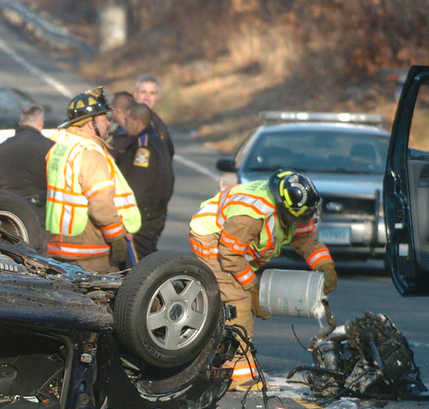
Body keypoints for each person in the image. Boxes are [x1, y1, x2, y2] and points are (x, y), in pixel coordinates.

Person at [189, 169, 337, 387]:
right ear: (283, 209)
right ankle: (236, 375)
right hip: (213, 240)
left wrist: (325, 265)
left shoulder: (294, 209)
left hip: (233, 246)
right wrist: (252, 288)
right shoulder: (251, 215)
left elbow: (305, 239)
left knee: (229, 297)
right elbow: (230, 255)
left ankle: (214, 352)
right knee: (238, 301)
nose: (305, 220)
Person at [45, 87, 141, 273]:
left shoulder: (60, 148)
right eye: (105, 119)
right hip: (88, 251)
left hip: (60, 244)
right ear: (91, 124)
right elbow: (101, 203)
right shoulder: (90, 153)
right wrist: (117, 237)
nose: (108, 124)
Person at [0, 104, 55, 250]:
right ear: (41, 123)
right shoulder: (51, 148)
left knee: (12, 253)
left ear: (20, 123)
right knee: (41, 254)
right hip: (42, 211)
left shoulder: (0, 148)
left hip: (9, 212)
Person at [115, 102, 174, 259]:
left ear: (137, 122)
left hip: (142, 218)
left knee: (137, 263)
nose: (124, 124)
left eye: (127, 120)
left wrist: (126, 216)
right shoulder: (156, 140)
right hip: (154, 215)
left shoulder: (143, 148)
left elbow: (137, 186)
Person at [134, 75, 174, 158]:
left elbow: (168, 155)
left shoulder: (160, 126)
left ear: (157, 97)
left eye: (152, 93)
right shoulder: (123, 121)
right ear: (135, 94)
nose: (147, 98)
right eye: (143, 92)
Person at [106, 91, 136, 155]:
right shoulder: (116, 131)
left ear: (117, 111)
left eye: (111, 108)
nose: (110, 112)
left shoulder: (129, 136)